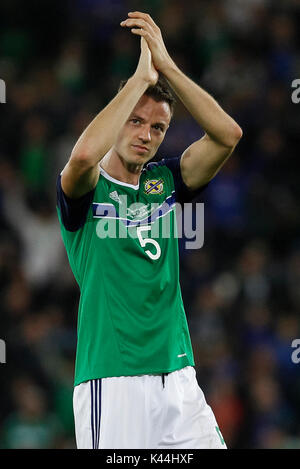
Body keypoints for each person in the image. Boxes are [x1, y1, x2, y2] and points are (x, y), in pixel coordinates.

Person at [56, 11, 242, 449]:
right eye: (135, 121)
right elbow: (82, 157)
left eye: (158, 127)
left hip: (179, 377)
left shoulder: (165, 182)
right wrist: (139, 79)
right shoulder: (86, 189)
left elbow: (227, 135)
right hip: (114, 380)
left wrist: (167, 67)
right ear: (117, 117)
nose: (146, 134)